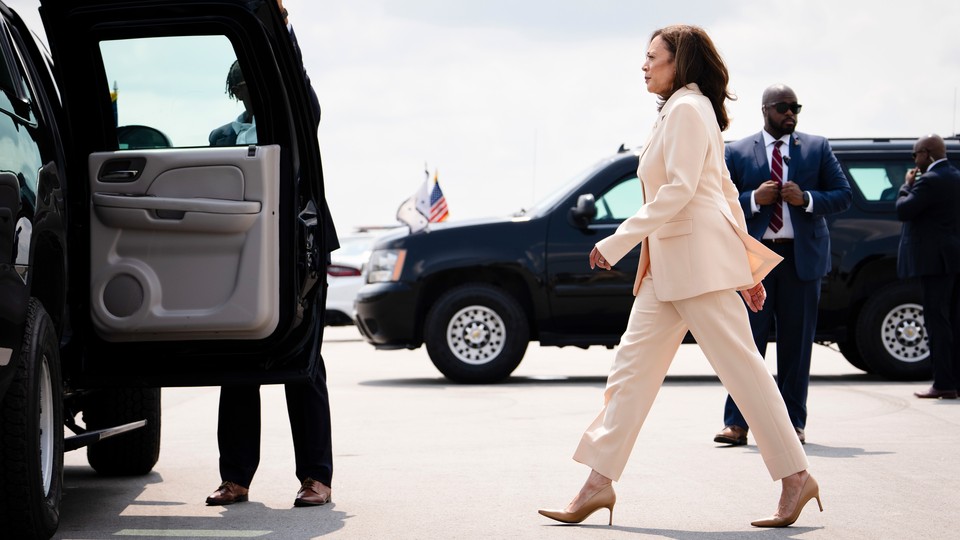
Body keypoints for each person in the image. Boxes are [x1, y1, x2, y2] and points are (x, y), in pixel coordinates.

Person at [537, 25, 821, 528]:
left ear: (680, 62)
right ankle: (597, 484)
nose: (644, 66)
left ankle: (795, 478)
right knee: (629, 375)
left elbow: (683, 191)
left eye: (653, 57)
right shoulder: (681, 111)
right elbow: (727, 190)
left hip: (695, 266)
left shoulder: (689, 110)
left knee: (743, 371)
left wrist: (617, 241)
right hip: (668, 269)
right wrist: (747, 269)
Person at [205, 0, 339, 508]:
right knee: (237, 361)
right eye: (240, 88)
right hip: (244, 251)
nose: (247, 93)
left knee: (303, 360)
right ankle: (236, 477)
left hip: (299, 251)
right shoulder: (224, 136)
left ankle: (316, 478)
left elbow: (300, 88)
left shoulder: (299, 119)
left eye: (252, 83)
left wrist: (284, 29)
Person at [714, 84, 851, 446]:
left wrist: (806, 198)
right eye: (783, 107)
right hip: (755, 260)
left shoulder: (817, 147)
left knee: (797, 345)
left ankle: (792, 425)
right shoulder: (738, 151)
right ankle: (737, 423)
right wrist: (752, 200)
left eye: (796, 107)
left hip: (801, 260)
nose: (791, 113)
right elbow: (718, 201)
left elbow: (843, 195)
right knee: (745, 345)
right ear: (765, 110)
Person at [896, 134, 960, 399]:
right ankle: (955, 380)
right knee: (955, 320)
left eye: (915, 155)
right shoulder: (956, 176)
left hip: (935, 262)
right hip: (955, 261)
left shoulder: (930, 181)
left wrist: (906, 186)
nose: (915, 160)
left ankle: (943, 383)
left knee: (936, 321)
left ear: (927, 153)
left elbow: (903, 210)